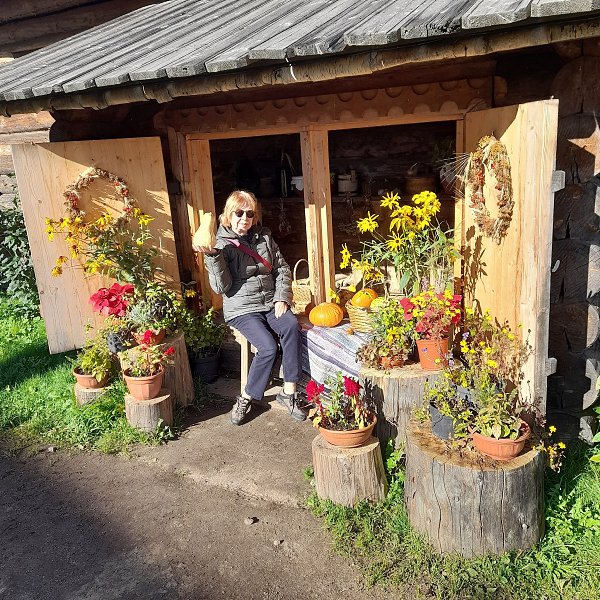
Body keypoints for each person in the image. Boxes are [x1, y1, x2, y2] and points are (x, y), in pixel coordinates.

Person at [193, 190, 306, 426]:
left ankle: (289, 392)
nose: (244, 218)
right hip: (242, 308)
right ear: (228, 214)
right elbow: (221, 287)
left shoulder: (264, 237)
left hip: (270, 302)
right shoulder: (220, 244)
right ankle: (246, 397)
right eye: (239, 213)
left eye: (250, 213)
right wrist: (212, 256)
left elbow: (282, 269)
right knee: (267, 347)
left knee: (290, 326)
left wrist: (282, 298)